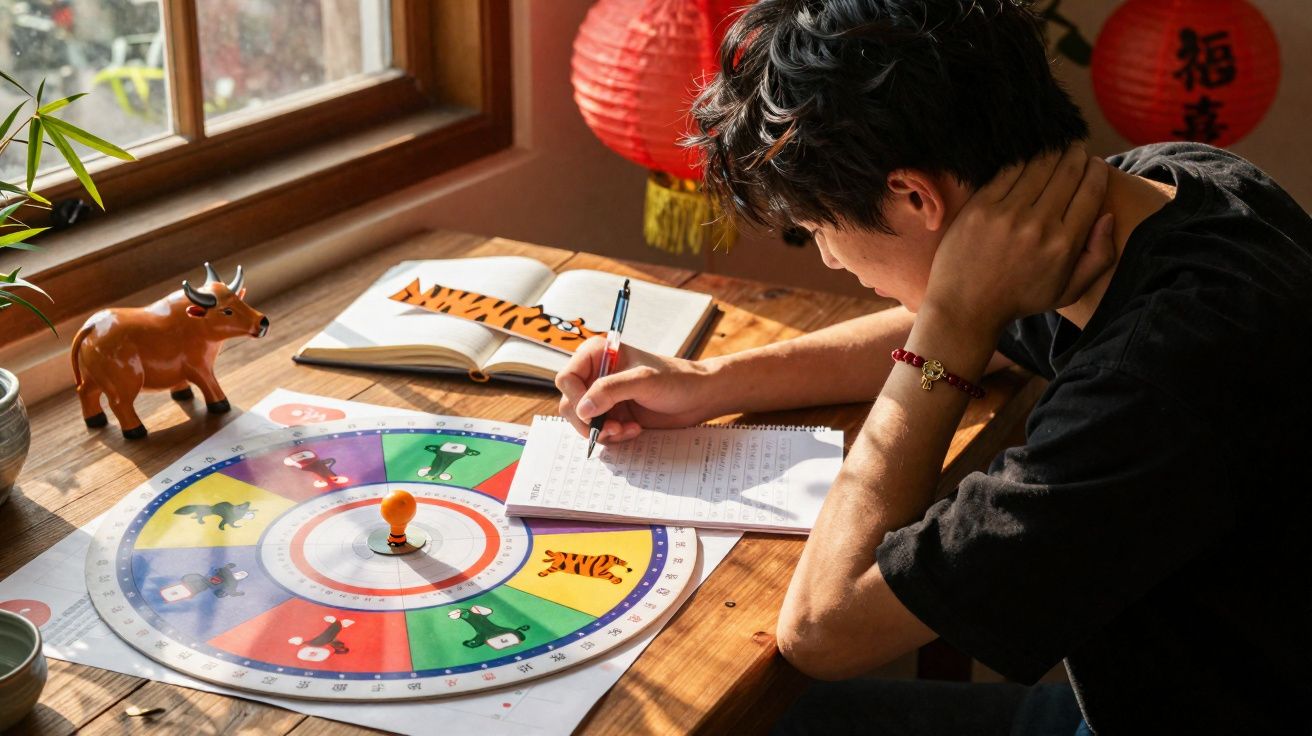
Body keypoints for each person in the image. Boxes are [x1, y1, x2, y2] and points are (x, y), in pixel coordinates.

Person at [555, 0, 1312, 733]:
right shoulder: (1189, 182)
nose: (826, 255)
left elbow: (822, 630)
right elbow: (982, 320)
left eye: (817, 227)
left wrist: (951, 326)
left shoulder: (1153, 388)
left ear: (914, 197)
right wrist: (710, 385)